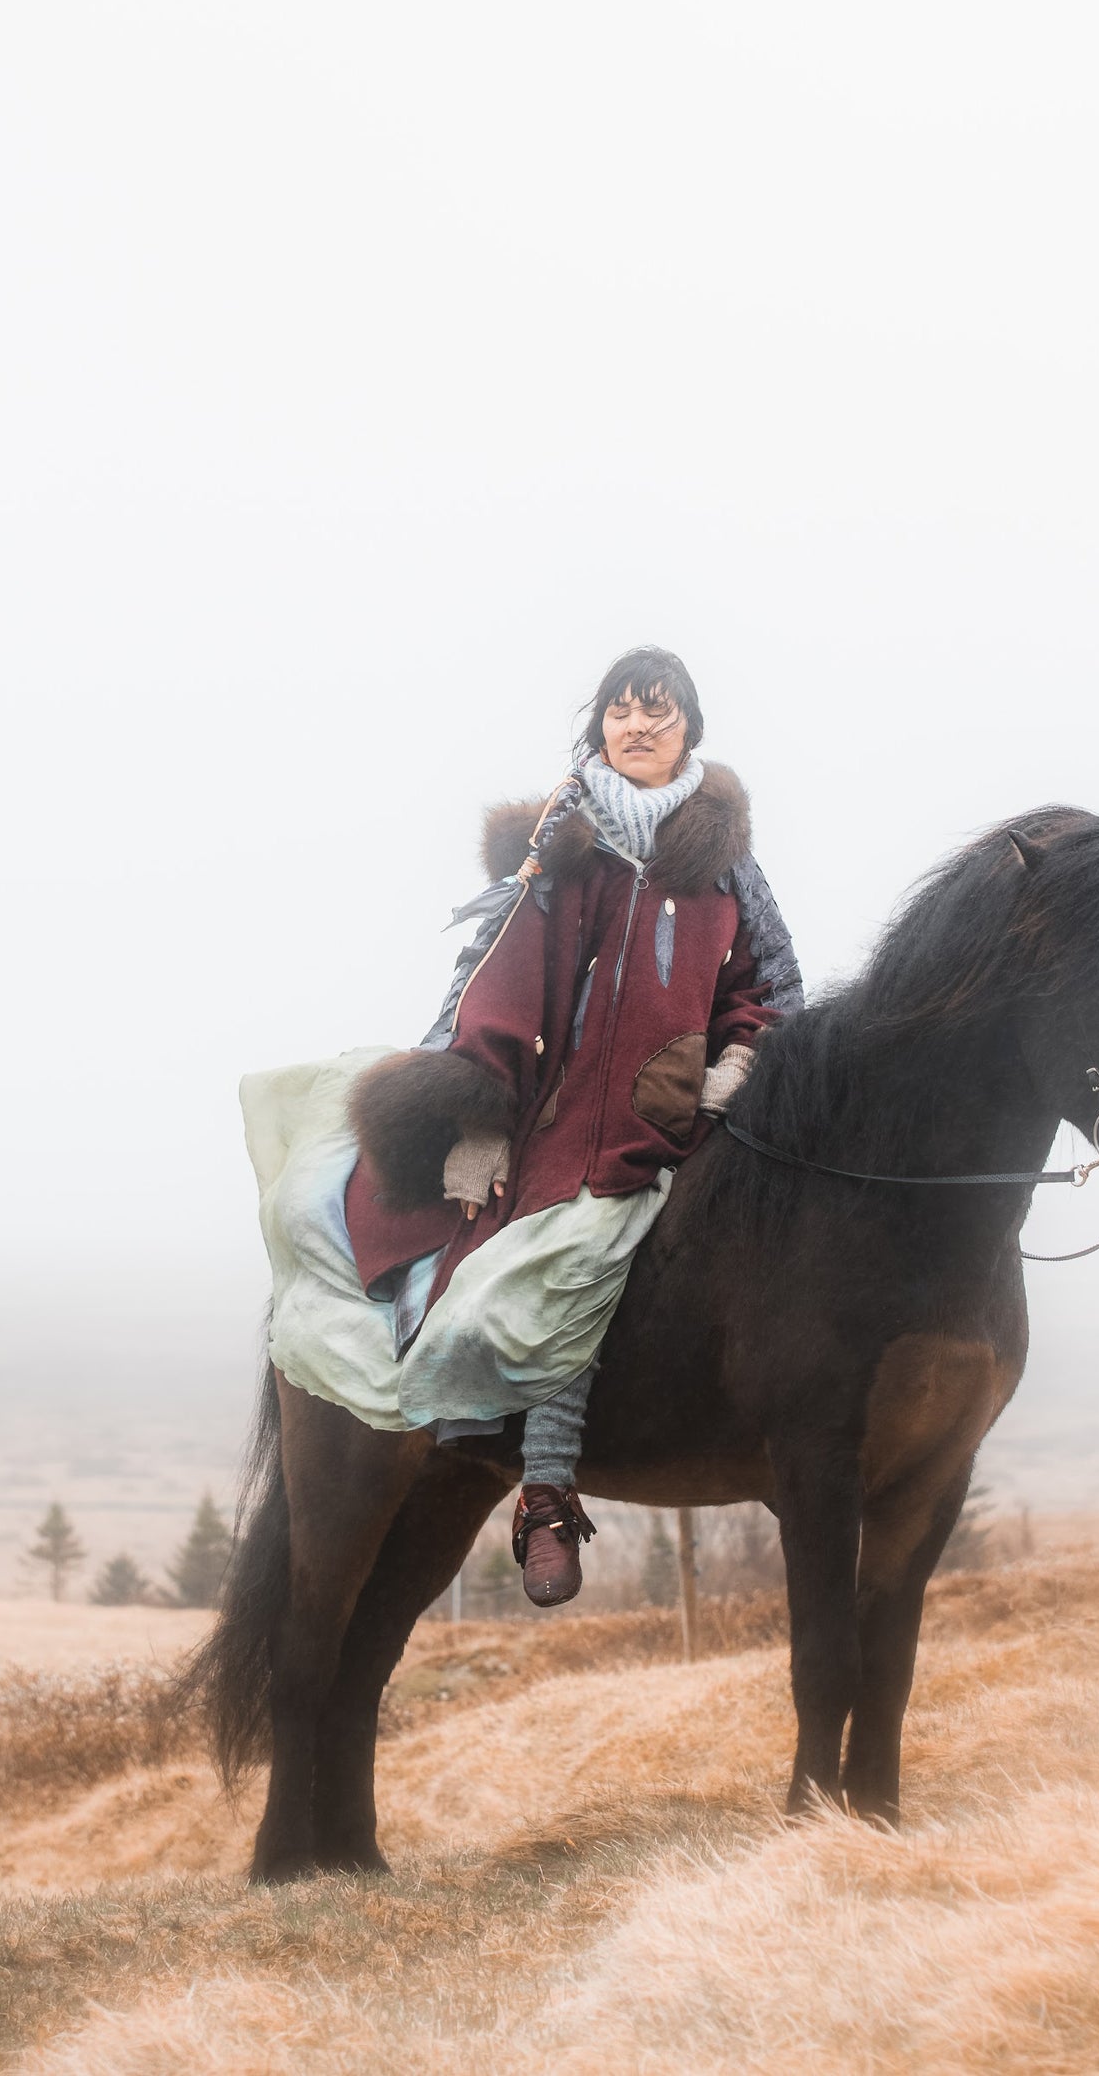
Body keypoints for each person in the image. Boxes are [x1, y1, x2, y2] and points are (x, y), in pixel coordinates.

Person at [349, 647, 802, 1606]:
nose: (637, 727)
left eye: (660, 713)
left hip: (683, 1112)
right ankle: (546, 1497)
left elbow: (772, 987)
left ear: (690, 731)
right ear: (598, 726)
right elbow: (492, 970)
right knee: (565, 1263)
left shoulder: (728, 865)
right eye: (620, 712)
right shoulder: (562, 845)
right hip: (557, 1121)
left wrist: (736, 1066)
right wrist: (473, 1110)